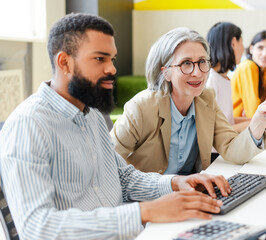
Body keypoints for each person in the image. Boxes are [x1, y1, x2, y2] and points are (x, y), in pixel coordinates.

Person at [0, 13, 234, 240]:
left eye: (112, 59)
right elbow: (37, 228)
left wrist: (175, 183)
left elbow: (122, 178)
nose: (112, 68)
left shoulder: (91, 114)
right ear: (65, 62)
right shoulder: (28, 125)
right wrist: (144, 212)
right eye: (100, 58)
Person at [110, 27, 266, 175]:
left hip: (189, 196)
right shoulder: (141, 107)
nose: (197, 72)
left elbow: (232, 149)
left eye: (202, 61)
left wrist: (258, 122)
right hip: (147, 201)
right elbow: (107, 162)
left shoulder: (206, 99)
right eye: (186, 63)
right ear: (166, 73)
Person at [206, 22, 251, 133]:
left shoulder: (223, 78)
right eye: (242, 42)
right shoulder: (211, 80)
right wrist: (254, 123)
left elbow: (226, 121)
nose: (243, 49)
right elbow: (215, 132)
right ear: (234, 43)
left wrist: (255, 120)